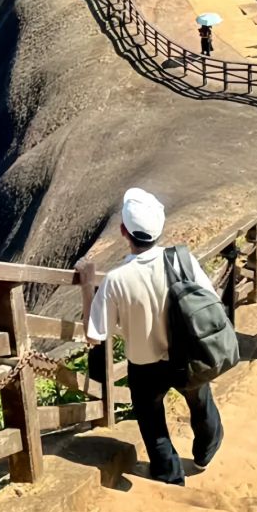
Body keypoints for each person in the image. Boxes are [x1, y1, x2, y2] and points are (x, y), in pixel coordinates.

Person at [83, 188, 223, 486]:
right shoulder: (181, 260)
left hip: (144, 363)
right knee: (201, 402)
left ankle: (169, 473)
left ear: (123, 231)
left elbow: (97, 333)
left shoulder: (115, 280)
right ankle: (205, 452)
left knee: (151, 420)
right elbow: (211, 299)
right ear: (159, 231)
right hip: (187, 355)